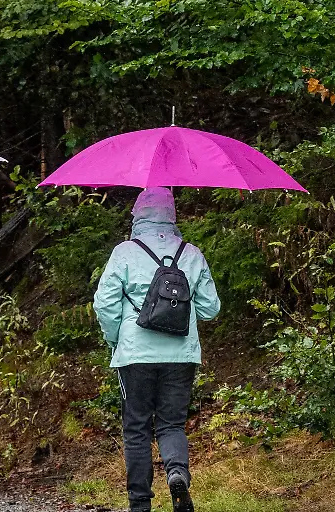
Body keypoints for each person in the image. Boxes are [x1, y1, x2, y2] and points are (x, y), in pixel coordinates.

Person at [93, 187, 221, 512]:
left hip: (135, 355)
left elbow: (104, 303)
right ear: (172, 215)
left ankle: (139, 504)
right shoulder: (192, 253)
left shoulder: (125, 252)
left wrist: (115, 340)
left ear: (137, 214)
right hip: (181, 355)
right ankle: (177, 473)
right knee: (171, 424)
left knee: (136, 428)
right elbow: (211, 309)